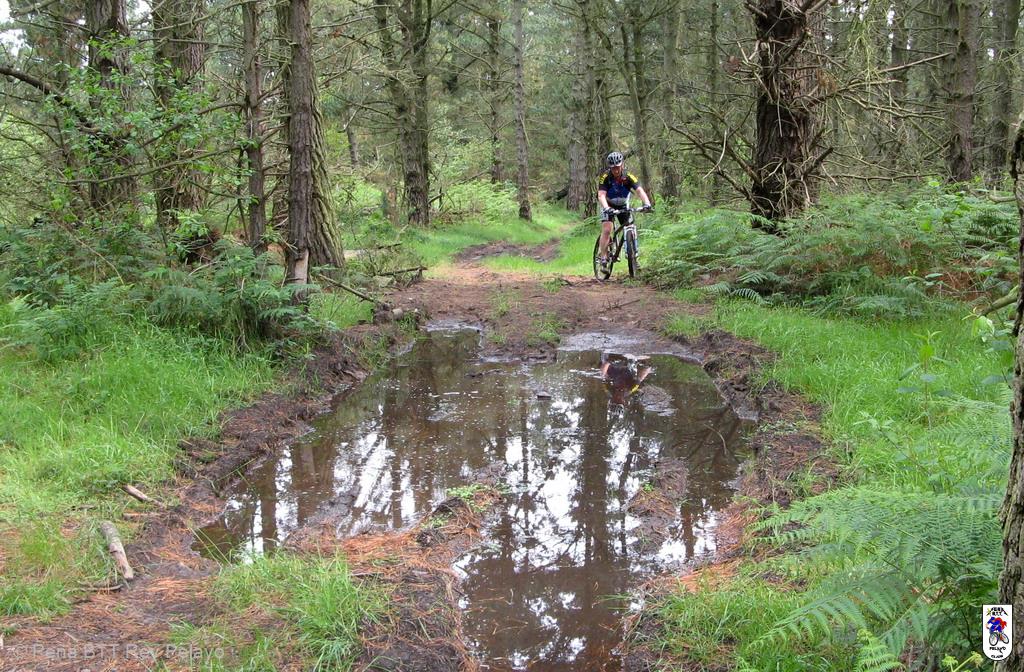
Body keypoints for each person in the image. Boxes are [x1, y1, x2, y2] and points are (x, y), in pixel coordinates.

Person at [596, 152, 653, 271]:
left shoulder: (628, 176)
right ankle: (603, 258)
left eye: (617, 167)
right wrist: (606, 207)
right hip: (608, 204)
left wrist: (647, 203)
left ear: (622, 165)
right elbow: (601, 195)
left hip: (623, 205)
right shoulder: (605, 177)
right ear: (610, 168)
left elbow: (639, 190)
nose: (616, 170)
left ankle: (634, 258)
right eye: (613, 168)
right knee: (607, 229)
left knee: (630, 226)